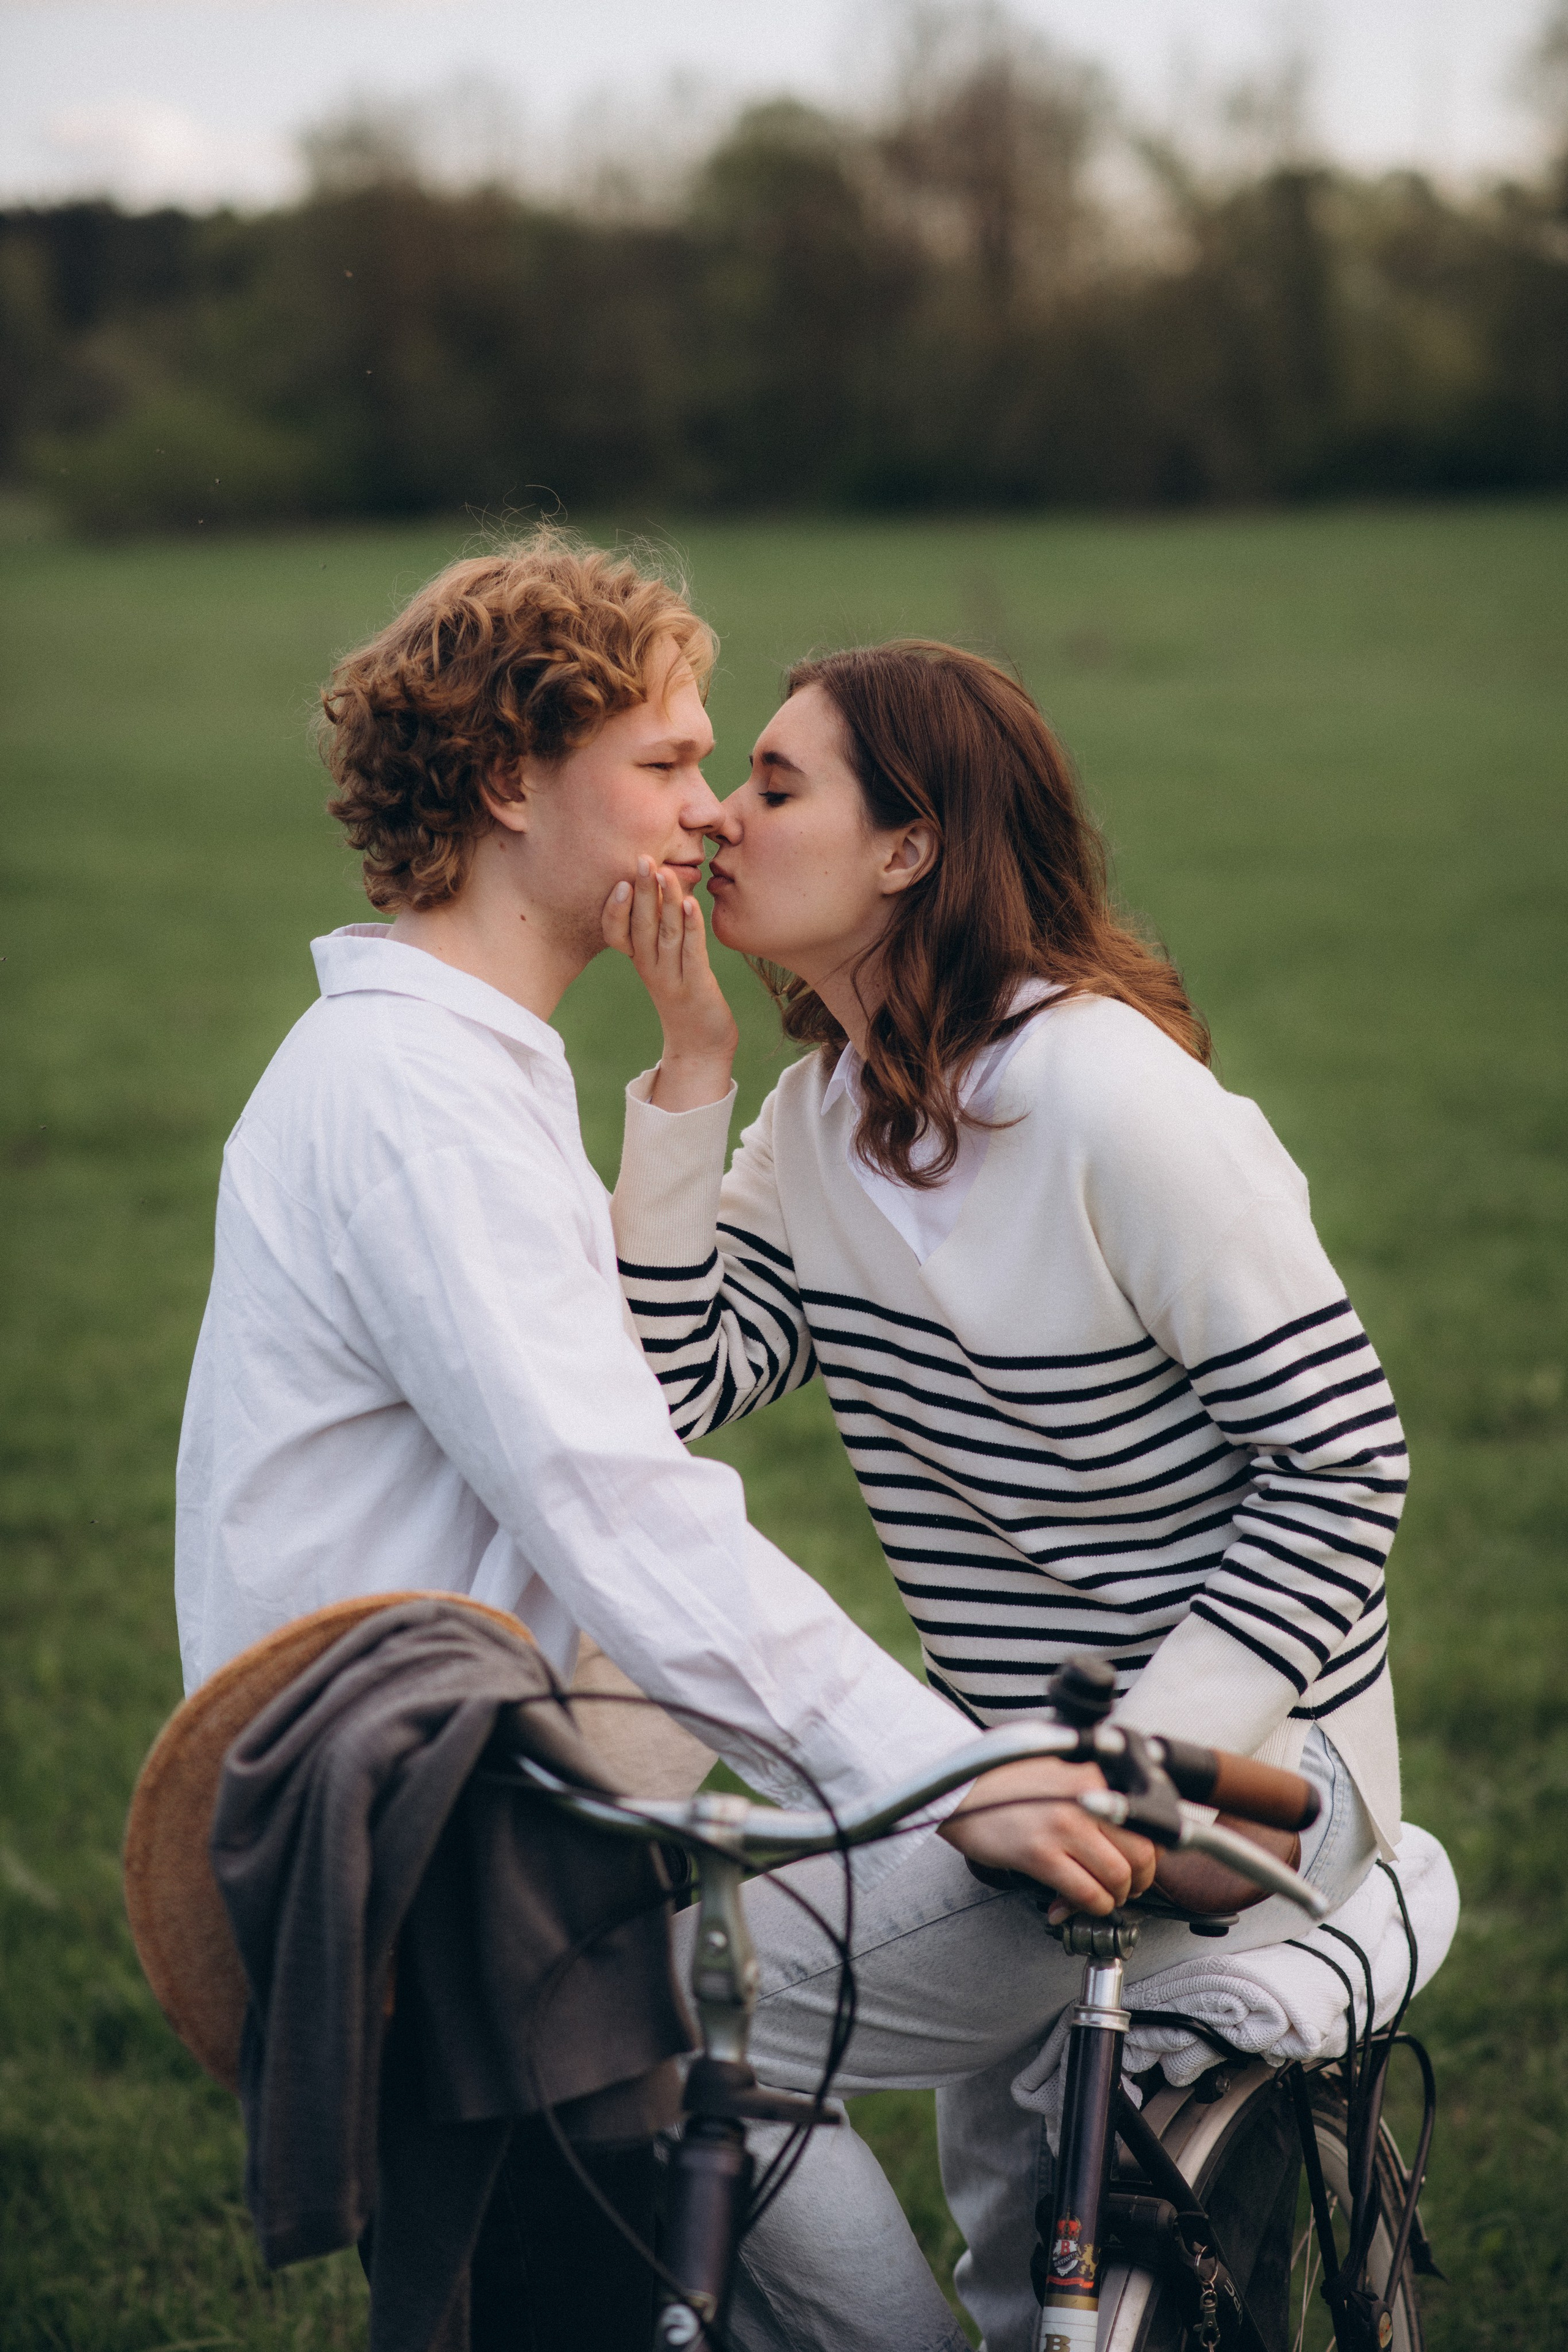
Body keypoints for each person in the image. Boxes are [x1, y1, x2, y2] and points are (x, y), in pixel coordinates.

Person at [172, 540, 1159, 2351]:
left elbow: (626, 1410)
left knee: (874, 2298)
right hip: (463, 1850)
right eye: (667, 763)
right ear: (508, 783)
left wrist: (692, 1067)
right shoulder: (416, 1105)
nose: (709, 814)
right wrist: (960, 1772)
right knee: (1076, 1902)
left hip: (543, 1795)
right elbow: (617, 1494)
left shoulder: (463, 1069)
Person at [603, 639, 1407, 2350]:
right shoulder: (820, 1123)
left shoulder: (1116, 1101)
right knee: (1004, 2262)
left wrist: (1144, 1752)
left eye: (774, 783)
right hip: (1005, 1771)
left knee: (667, 2020)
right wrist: (686, 1069)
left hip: (1250, 1768)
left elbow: (1345, 1455)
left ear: (911, 848)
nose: (722, 822)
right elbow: (675, 1387)